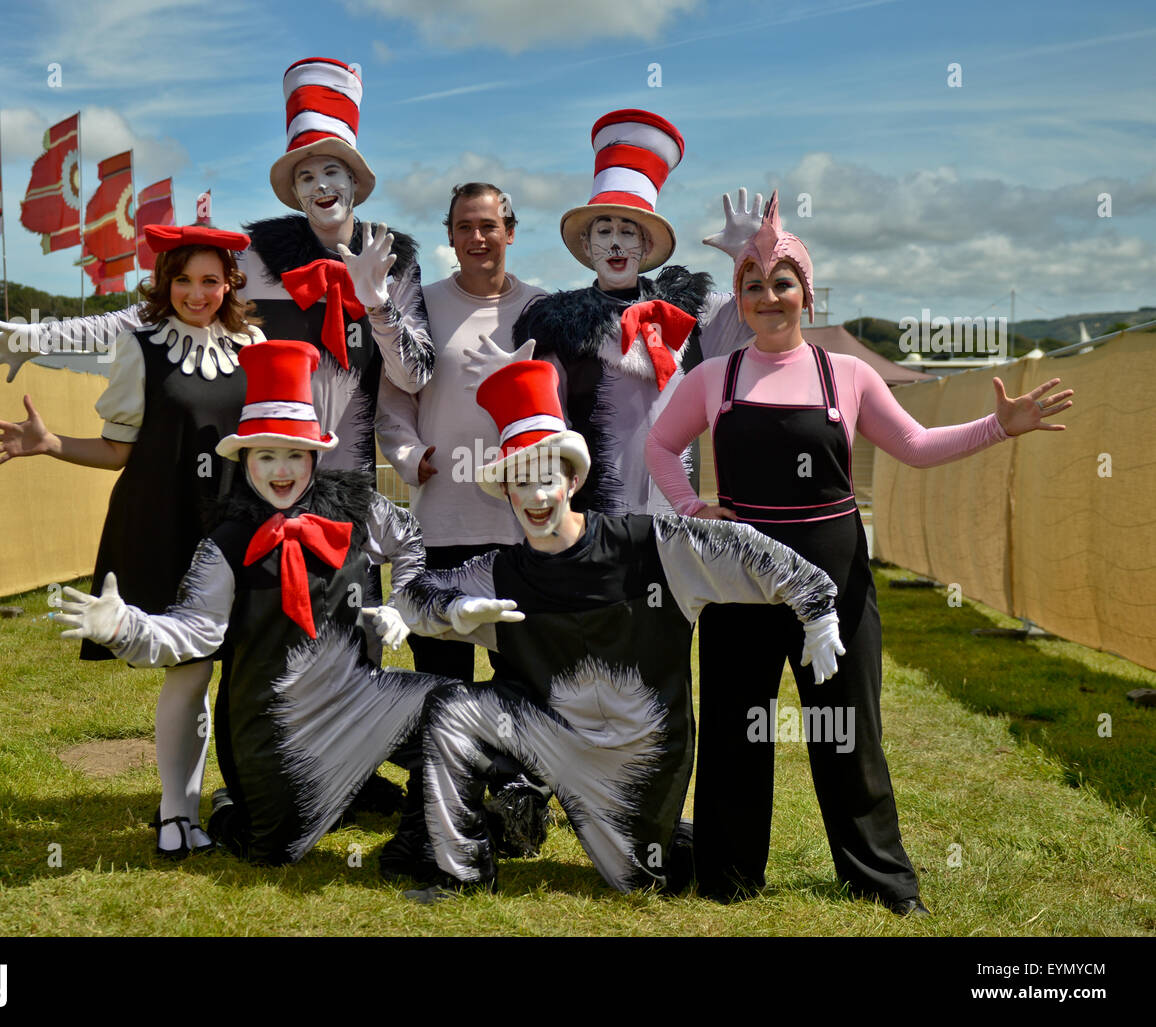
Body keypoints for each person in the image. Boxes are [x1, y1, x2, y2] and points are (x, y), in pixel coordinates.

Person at [645, 191, 1075, 915]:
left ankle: (879, 880)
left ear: (805, 294)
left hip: (835, 587)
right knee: (732, 730)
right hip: (740, 584)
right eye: (753, 285)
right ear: (741, 300)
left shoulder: (846, 374)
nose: (768, 296)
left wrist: (999, 427)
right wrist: (692, 509)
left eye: (783, 283)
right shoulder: (714, 377)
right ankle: (727, 875)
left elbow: (914, 445)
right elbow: (659, 444)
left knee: (848, 732)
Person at [392, 359, 845, 901]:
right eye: (520, 483)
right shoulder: (500, 571)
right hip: (549, 737)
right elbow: (415, 597)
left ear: (573, 480)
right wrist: (454, 610)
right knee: (450, 711)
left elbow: (744, 550)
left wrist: (817, 604)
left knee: (643, 883)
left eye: (546, 480)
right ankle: (461, 872)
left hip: (636, 756)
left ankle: (662, 839)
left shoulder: (649, 545)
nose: (536, 499)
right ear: (506, 492)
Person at [51, 340, 457, 865]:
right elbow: (193, 635)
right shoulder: (224, 544)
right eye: (266, 455)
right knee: (278, 849)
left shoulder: (357, 509)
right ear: (245, 460)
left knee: (457, 711)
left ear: (315, 457)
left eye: (294, 454)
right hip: (273, 725)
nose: (281, 470)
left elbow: (408, 540)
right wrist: (125, 627)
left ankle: (423, 835)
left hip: (360, 700)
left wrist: (402, 604)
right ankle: (232, 803)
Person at [0, 57, 433, 481]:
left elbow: (413, 377)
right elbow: (153, 321)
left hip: (351, 484)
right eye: (306, 178)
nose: (321, 187)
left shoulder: (396, 261)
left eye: (332, 171)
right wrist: (40, 337)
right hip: (265, 479)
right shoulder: (254, 260)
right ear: (294, 193)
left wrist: (377, 304)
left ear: (354, 179)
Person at [0, 224, 263, 858]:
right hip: (164, 522)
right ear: (164, 283)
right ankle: (175, 816)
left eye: (209, 280)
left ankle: (240, 800)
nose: (195, 292)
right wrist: (50, 444)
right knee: (190, 668)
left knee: (236, 668)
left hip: (240, 528)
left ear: (230, 282)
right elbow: (116, 450)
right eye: (182, 279)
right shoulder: (141, 344)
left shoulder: (255, 345)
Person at [373, 182, 547, 878]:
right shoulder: (425, 306)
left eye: (490, 225)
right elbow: (393, 402)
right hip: (440, 524)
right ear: (450, 235)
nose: (478, 237)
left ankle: (510, 794)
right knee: (441, 682)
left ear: (511, 228)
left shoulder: (541, 307)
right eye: (464, 227)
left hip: (519, 530)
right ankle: (436, 821)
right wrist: (420, 459)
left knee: (520, 681)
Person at [511, 109, 760, 515]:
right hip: (595, 526)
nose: (615, 244)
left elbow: (766, 310)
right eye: (604, 231)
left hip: (678, 517)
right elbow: (548, 428)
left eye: (627, 232)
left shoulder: (690, 318)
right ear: (588, 246)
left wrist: (751, 257)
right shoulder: (561, 331)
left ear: (645, 248)